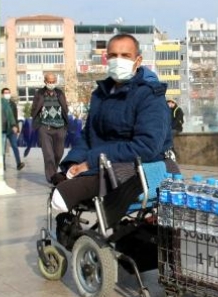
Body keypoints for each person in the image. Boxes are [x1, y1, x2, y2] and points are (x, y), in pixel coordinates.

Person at [50, 33, 173, 214]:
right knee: (59, 179)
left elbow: (147, 146)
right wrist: (74, 162)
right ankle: (71, 234)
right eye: (113, 55)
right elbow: (89, 136)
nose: (118, 60)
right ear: (106, 58)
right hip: (102, 165)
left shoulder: (150, 95)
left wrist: (91, 162)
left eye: (125, 56)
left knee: (61, 197)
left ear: (138, 61)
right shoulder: (100, 94)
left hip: (136, 167)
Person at [30, 73, 69, 184]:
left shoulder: (60, 93)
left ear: (56, 81)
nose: (51, 84)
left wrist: (65, 124)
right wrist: (38, 120)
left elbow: (65, 108)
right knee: (49, 155)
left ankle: (53, 170)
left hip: (60, 127)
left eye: (53, 81)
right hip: (45, 128)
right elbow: (33, 110)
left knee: (58, 154)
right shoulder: (39, 94)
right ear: (45, 81)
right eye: (49, 81)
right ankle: (52, 178)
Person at [2, 87, 25, 170]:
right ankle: (2, 165)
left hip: (12, 128)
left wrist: (16, 127)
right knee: (3, 148)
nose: (7, 94)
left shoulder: (12, 104)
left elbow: (15, 116)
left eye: (8, 92)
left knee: (15, 146)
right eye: (5, 92)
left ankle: (19, 163)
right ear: (2, 94)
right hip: (3, 129)